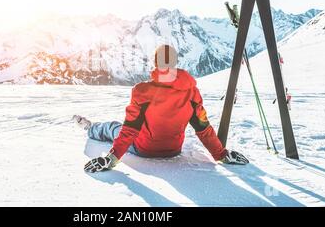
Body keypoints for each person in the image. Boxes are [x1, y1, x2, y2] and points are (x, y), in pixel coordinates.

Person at [74, 45, 249, 173]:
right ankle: (93, 128)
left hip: (144, 149)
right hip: (174, 150)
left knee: (113, 127)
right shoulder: (192, 93)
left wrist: (111, 159)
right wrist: (222, 154)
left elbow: (129, 130)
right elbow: (204, 128)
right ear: (175, 62)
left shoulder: (142, 91)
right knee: (119, 128)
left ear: (155, 63)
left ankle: (91, 128)